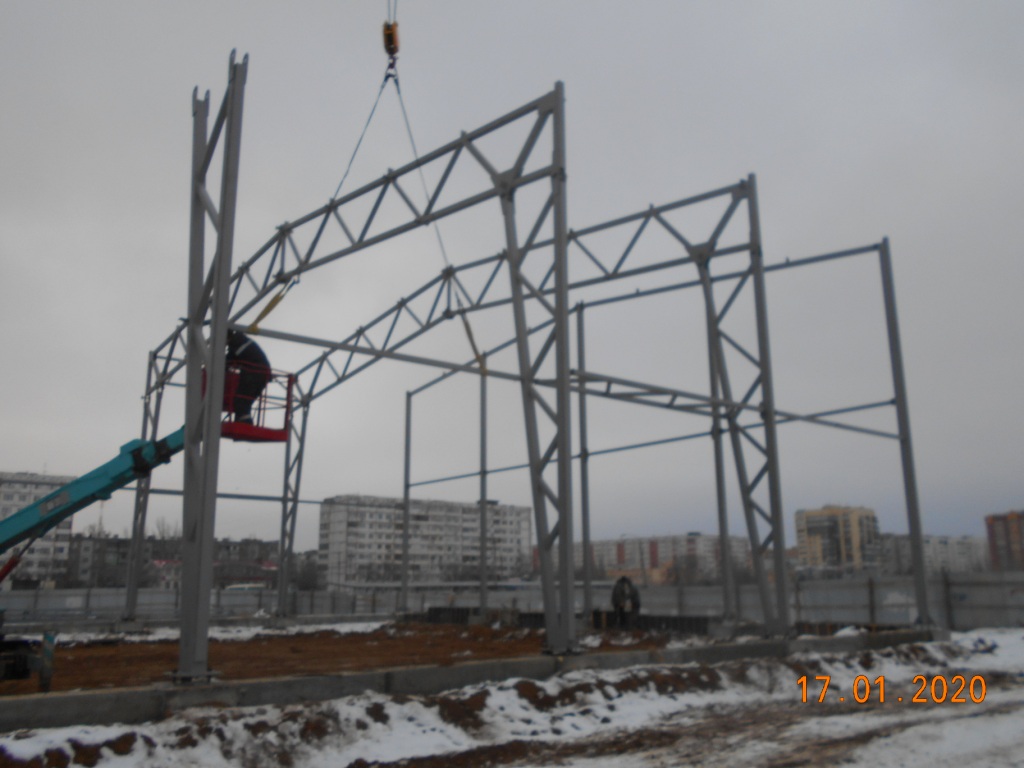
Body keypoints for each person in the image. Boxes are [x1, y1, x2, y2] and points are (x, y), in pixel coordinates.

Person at [226, 330, 271, 424]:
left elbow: (229, 360)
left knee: (241, 399)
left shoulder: (237, 343)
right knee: (245, 401)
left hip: (254, 375)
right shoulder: (241, 340)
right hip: (261, 375)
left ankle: (244, 422)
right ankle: (243, 420)